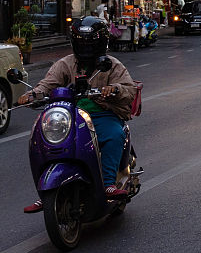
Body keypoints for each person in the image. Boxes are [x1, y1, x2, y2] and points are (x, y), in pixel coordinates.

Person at [19, 17, 138, 202]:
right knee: (40, 140)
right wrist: (33, 94)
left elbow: (129, 89)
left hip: (102, 114)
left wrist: (114, 89)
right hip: (70, 115)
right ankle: (46, 193)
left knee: (114, 135)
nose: (85, 46)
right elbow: (48, 84)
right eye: (81, 41)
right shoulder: (66, 63)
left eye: (90, 42)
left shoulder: (112, 64)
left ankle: (108, 183)